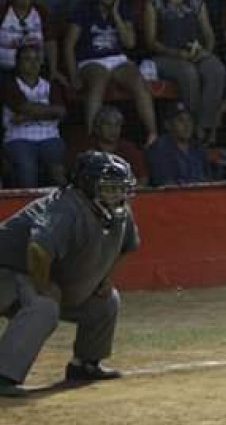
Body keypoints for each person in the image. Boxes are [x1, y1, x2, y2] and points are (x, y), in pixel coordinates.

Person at [0, 151, 139, 398]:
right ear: (87, 185)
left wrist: (104, 276)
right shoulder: (66, 207)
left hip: (33, 271)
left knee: (104, 300)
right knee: (44, 306)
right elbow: (38, 248)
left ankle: (85, 365)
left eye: (122, 188)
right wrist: (44, 286)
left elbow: (125, 247)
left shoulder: (117, 211)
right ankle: (4, 375)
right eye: (109, 187)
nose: (118, 194)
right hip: (8, 271)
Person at [65, 0, 158, 145]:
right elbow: (69, 45)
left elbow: (130, 43)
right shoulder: (83, 9)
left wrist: (115, 15)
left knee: (139, 81)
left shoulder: (123, 10)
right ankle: (92, 136)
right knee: (99, 80)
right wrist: (73, 75)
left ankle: (152, 134)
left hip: (117, 58)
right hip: (90, 59)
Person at [143, 0, 226, 143]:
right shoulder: (154, 1)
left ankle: (204, 126)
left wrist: (206, 51)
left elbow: (208, 34)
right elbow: (151, 41)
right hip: (165, 56)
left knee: (216, 69)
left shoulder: (195, 0)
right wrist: (176, 53)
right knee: (189, 73)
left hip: (194, 52)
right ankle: (190, 125)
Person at [2, 46, 68, 188]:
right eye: (27, 59)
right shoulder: (10, 84)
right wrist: (49, 113)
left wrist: (25, 116)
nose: (33, 63)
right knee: (27, 171)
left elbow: (61, 111)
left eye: (37, 59)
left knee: (58, 173)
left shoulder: (51, 84)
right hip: (18, 138)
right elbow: (22, 107)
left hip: (50, 137)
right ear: (18, 63)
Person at [70, 106, 149, 186]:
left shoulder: (129, 149)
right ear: (97, 128)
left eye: (117, 125)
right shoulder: (83, 147)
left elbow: (143, 179)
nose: (113, 129)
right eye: (108, 124)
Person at [146, 102, 210, 186]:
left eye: (189, 120)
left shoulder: (198, 148)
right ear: (168, 125)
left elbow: (208, 179)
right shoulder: (159, 149)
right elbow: (165, 183)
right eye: (180, 120)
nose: (187, 125)